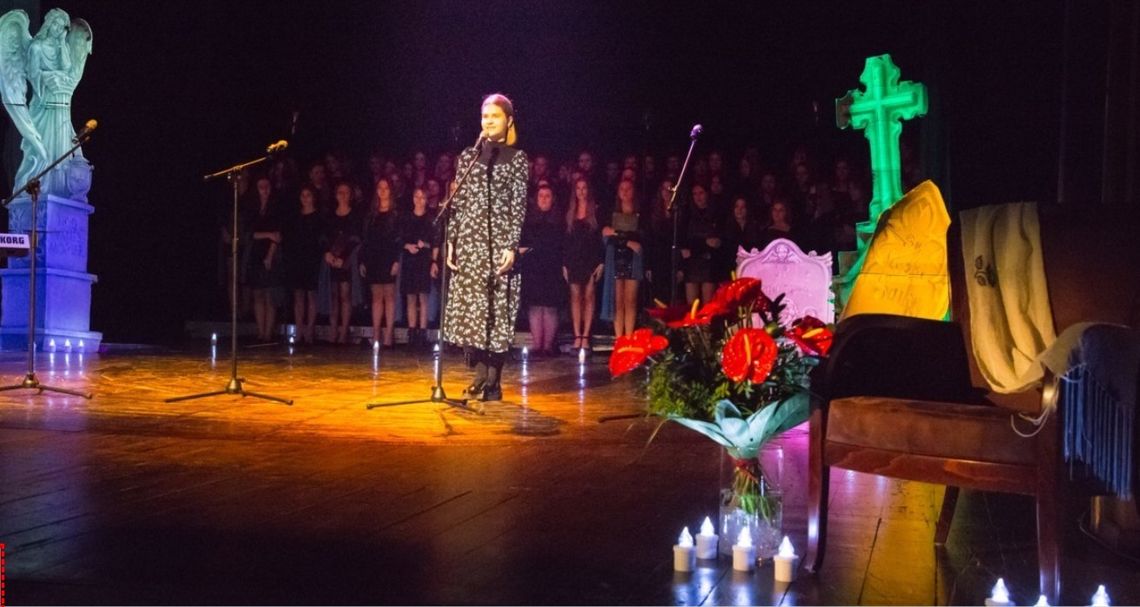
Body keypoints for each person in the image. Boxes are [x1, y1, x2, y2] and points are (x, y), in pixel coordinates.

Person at [441, 93, 528, 403]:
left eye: (494, 116)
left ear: (508, 120)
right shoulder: (468, 156)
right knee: (472, 315)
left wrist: (511, 246)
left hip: (498, 245)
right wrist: (451, 240)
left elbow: (517, 206)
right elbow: (458, 201)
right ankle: (480, 375)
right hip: (469, 244)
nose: (488, 121)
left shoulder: (516, 159)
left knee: (496, 314)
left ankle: (493, 380)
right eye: (484, 116)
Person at [519, 184, 566, 357]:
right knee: (535, 306)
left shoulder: (560, 221)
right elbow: (523, 242)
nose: (544, 199)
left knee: (550, 306)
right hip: (533, 266)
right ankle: (537, 345)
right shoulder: (529, 220)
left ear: (553, 199)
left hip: (552, 266)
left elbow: (562, 245)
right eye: (541, 196)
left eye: (547, 195)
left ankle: (547, 346)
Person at [562, 178, 604, 351]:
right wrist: (564, 263)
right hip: (573, 259)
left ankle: (586, 335)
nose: (581, 191)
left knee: (589, 296)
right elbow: (565, 240)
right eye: (578, 188)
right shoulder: (570, 212)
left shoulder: (596, 212)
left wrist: (601, 262)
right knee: (575, 297)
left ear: (588, 190)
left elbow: (600, 240)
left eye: (584, 187)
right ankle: (577, 335)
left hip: (591, 259)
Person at [360, 178, 402, 348]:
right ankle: (376, 332)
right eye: (380, 188)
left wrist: (396, 260)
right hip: (373, 258)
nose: (383, 191)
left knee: (389, 296)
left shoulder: (395, 214)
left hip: (389, 257)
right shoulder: (371, 215)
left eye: (386, 188)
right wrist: (363, 260)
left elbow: (398, 240)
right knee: (376, 296)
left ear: (390, 191)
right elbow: (365, 239)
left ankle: (389, 334)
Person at [601, 179, 644, 338]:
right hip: (615, 257)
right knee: (617, 301)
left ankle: (629, 337)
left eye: (628, 188)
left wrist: (617, 234)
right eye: (622, 189)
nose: (625, 192)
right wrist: (625, 239)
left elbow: (640, 240)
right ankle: (619, 339)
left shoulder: (640, 214)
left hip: (633, 258)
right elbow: (606, 234)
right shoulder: (611, 213)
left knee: (630, 301)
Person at [283, 184, 325, 345]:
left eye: (308, 195)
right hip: (298, 259)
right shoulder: (295, 217)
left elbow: (321, 239)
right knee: (298, 295)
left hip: (313, 259)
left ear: (313, 197)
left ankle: (309, 330)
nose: (305, 198)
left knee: (311, 295)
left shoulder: (319, 217)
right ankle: (299, 329)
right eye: (303, 195)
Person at [324, 182, 361, 344]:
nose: (343, 195)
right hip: (332, 259)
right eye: (340, 192)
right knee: (333, 295)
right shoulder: (330, 215)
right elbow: (325, 237)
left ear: (350, 195)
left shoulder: (354, 216)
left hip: (346, 261)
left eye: (346, 192)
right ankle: (333, 329)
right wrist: (328, 254)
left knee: (345, 294)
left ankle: (344, 331)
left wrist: (343, 258)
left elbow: (355, 240)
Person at [400, 187, 435, 349]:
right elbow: (399, 238)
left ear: (426, 200)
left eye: (423, 197)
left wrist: (425, 245)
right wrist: (407, 246)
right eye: (417, 196)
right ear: (413, 198)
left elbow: (435, 243)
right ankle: (412, 334)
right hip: (409, 260)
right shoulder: (406, 217)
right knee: (410, 298)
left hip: (423, 260)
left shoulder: (430, 219)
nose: (419, 200)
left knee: (423, 297)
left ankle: (422, 334)